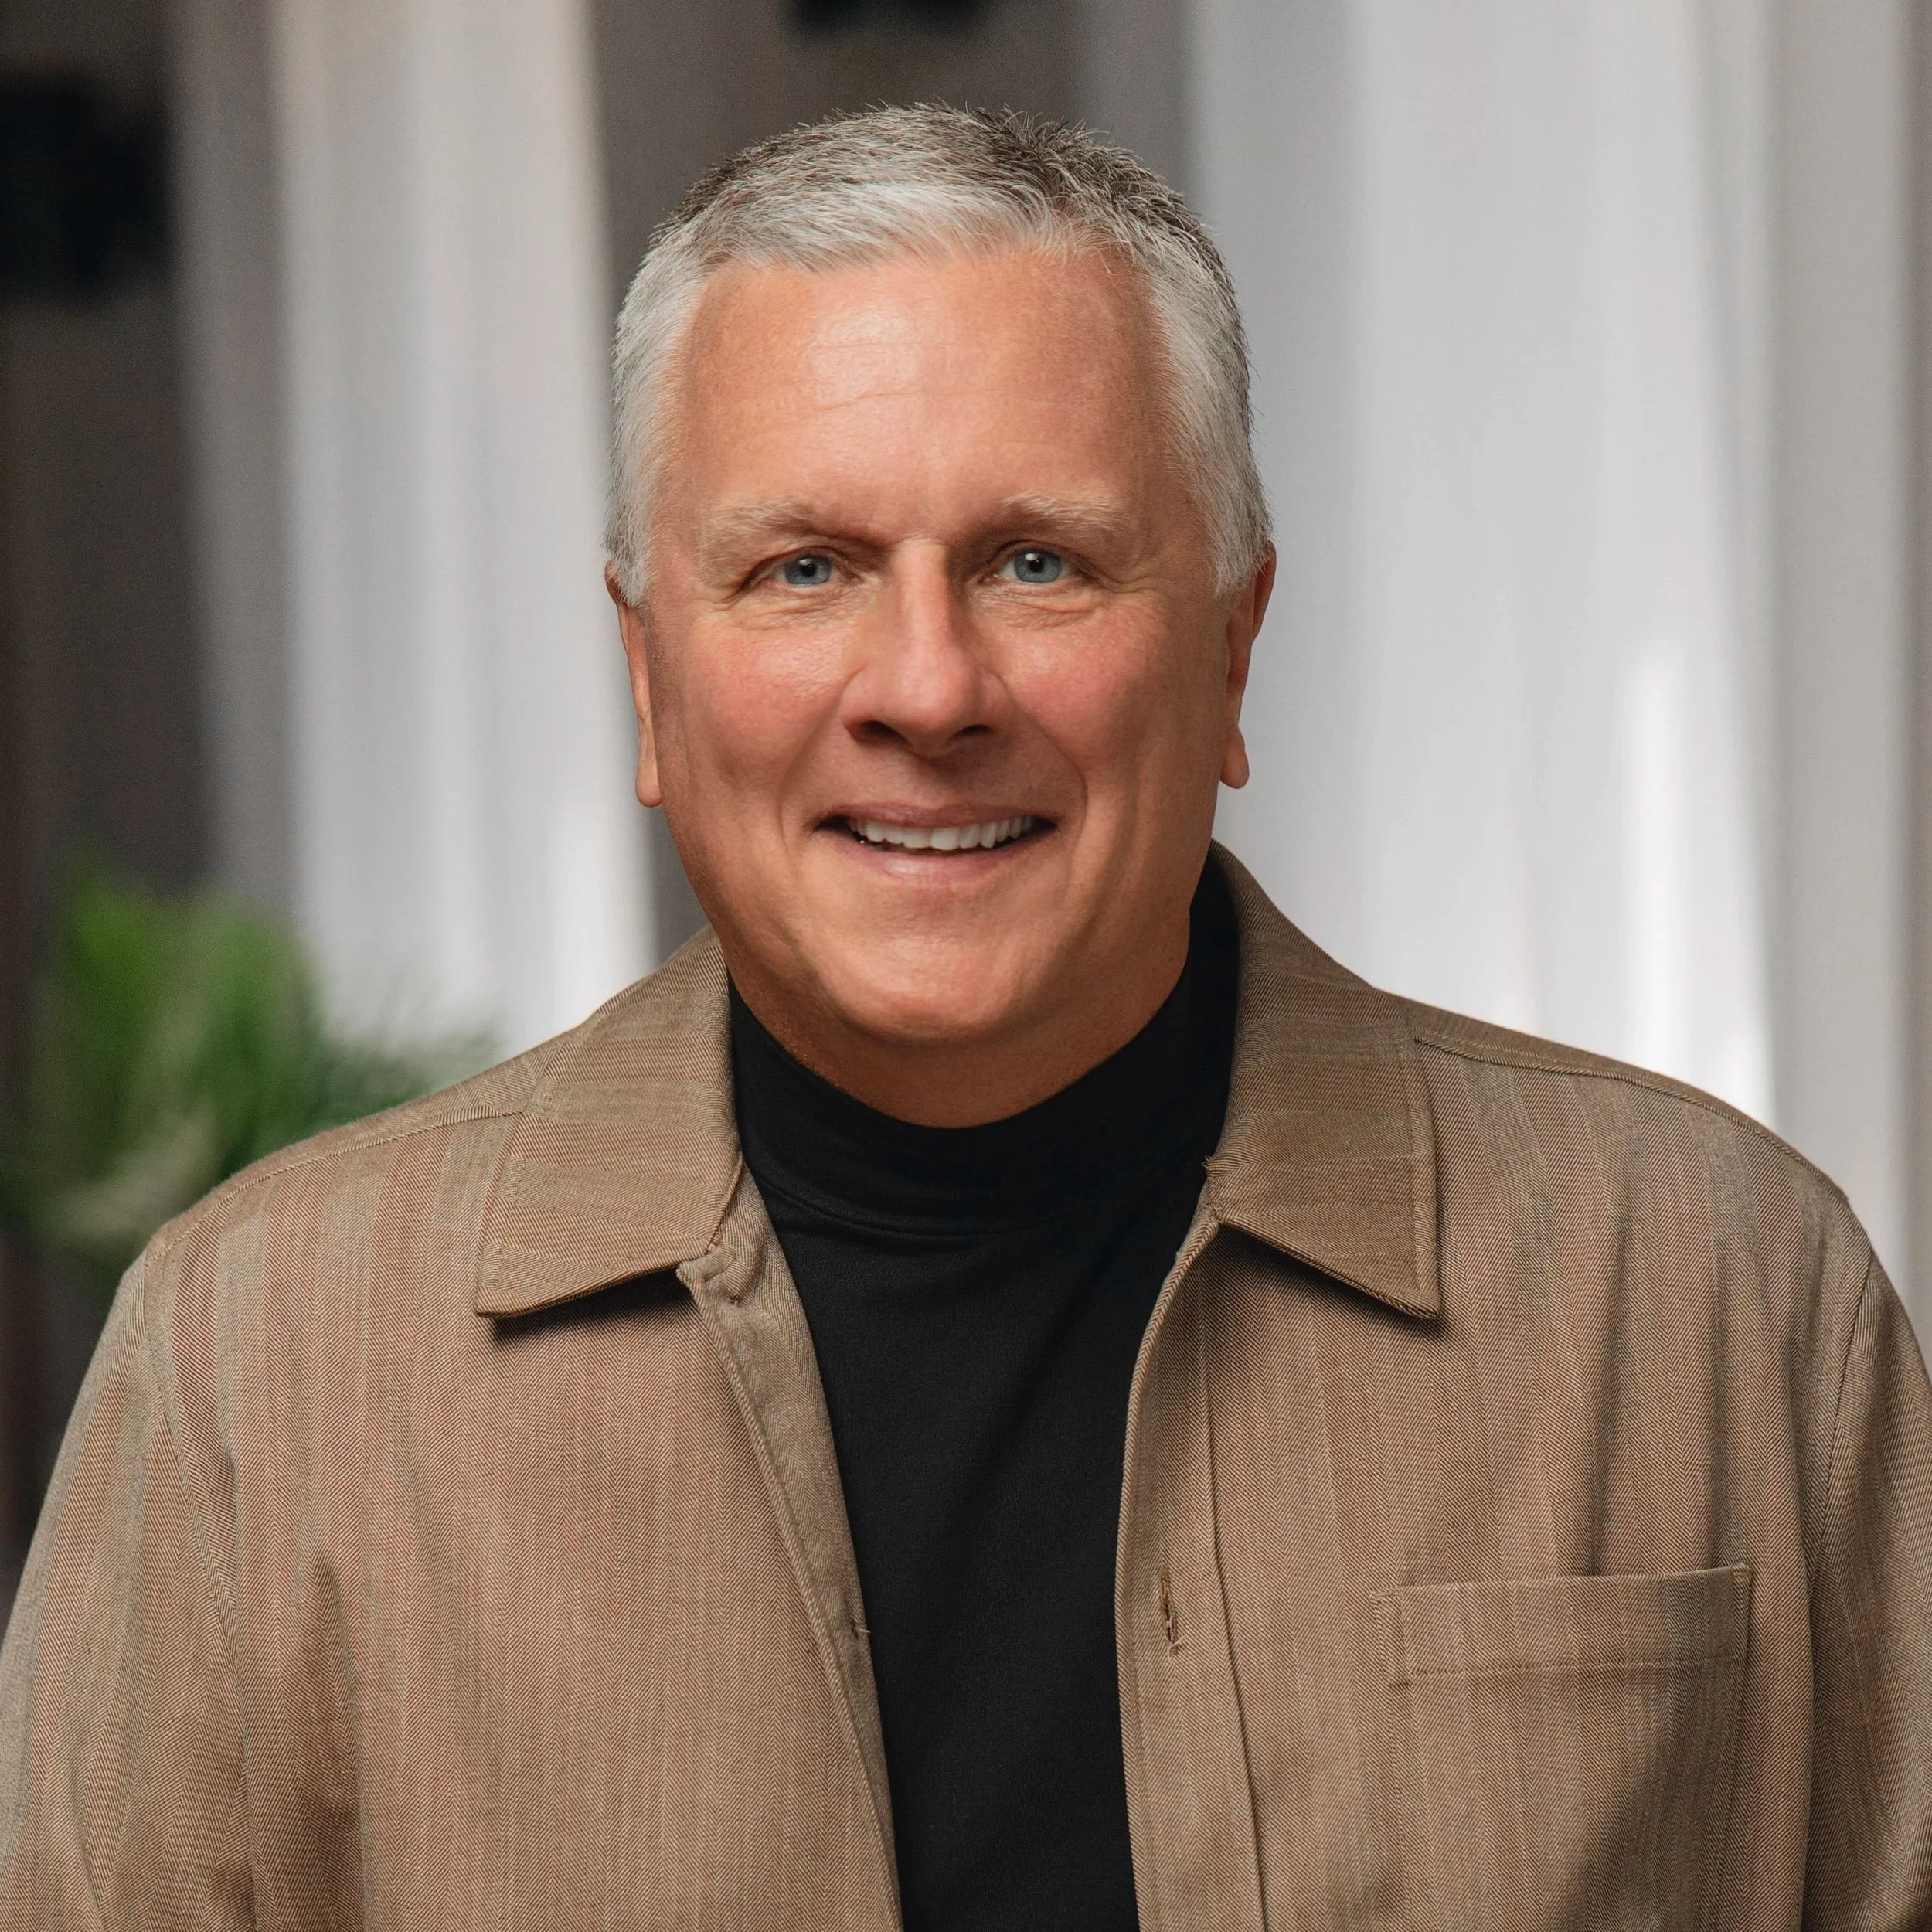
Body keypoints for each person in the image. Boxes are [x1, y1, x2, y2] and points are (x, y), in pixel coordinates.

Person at [2, 104, 1928, 1931]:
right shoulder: (263, 1361)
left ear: (1236, 642)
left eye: (1038, 559)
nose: (926, 686)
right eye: (803, 568)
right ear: (651, 681)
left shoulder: (1715, 1299)